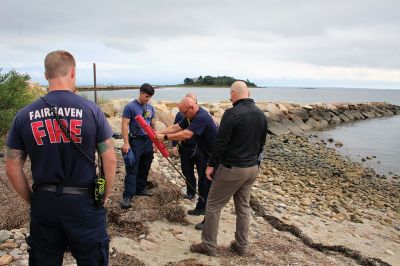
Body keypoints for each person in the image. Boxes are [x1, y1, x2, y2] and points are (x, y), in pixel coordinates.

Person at [5, 50, 117, 265]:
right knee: (93, 259)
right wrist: (103, 196)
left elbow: (12, 167)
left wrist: (32, 199)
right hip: (84, 202)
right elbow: (109, 158)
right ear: (73, 72)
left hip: (44, 202)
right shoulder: (91, 110)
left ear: (46, 75)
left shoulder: (24, 114)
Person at [190, 81, 268, 256]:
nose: (229, 97)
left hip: (233, 168)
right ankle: (241, 245)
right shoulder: (261, 115)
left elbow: (220, 143)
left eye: (230, 94)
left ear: (234, 93)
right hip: (251, 168)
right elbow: (261, 143)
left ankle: (208, 245)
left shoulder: (232, 114)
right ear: (248, 93)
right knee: (243, 207)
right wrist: (255, 162)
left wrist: (211, 165)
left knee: (213, 205)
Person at [156, 96, 218, 222]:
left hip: (214, 156)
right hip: (205, 152)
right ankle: (201, 207)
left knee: (208, 186)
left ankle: (208, 221)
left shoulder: (202, 117)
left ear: (192, 107)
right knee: (202, 183)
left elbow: (186, 134)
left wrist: (165, 138)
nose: (183, 115)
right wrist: (158, 133)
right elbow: (176, 127)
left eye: (184, 112)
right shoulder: (190, 116)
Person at [120, 83, 156, 209]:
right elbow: (124, 125)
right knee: (132, 168)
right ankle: (128, 196)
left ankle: (140, 189)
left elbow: (153, 124)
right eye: (146, 96)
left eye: (149, 97)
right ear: (140, 93)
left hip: (148, 141)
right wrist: (126, 143)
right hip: (135, 141)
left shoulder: (151, 107)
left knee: (145, 166)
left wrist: (155, 142)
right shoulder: (130, 107)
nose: (148, 99)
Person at [171, 93, 200, 200]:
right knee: (187, 171)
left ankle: (203, 195)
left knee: (202, 172)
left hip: (198, 147)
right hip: (185, 146)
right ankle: (191, 192)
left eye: (195, 102)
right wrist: (174, 145)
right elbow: (175, 128)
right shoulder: (181, 115)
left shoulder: (201, 115)